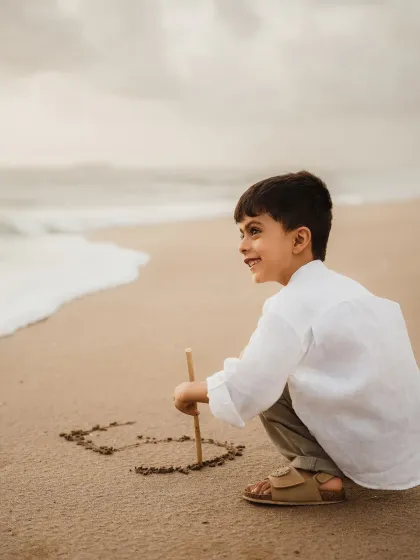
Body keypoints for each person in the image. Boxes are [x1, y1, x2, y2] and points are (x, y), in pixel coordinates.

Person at [173, 170, 420, 506]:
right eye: (242, 234)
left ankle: (318, 475)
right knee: (279, 361)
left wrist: (190, 390)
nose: (243, 245)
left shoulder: (289, 305)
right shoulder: (350, 289)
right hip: (404, 450)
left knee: (271, 372)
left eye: (255, 231)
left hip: (367, 452)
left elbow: (249, 386)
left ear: (299, 240)